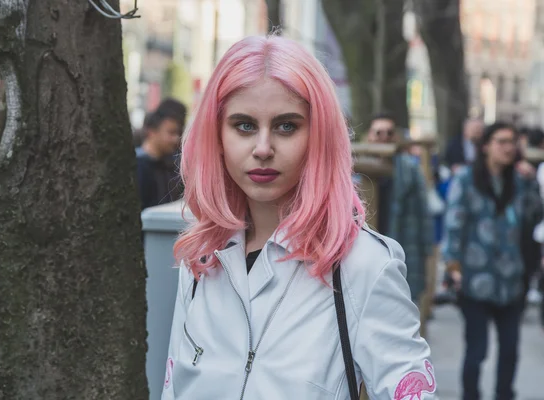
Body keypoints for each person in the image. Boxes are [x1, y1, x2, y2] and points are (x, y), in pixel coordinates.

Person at [162, 35, 435, 400]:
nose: (262, 148)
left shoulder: (364, 264)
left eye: (286, 126)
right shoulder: (200, 257)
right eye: (243, 125)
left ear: (319, 135)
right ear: (216, 134)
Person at [442, 122, 543, 400]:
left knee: (510, 348)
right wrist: (453, 267)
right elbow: (454, 225)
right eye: (501, 141)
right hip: (474, 279)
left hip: (512, 279)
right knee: (477, 350)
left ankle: (504, 395)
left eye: (512, 142)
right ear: (486, 146)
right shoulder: (465, 179)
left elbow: (535, 216)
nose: (508, 147)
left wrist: (532, 180)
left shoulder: (521, 181)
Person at [366, 113, 433, 305]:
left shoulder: (411, 170)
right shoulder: (355, 169)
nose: (384, 137)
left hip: (402, 243)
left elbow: (423, 211)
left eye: (389, 132)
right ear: (369, 136)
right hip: (368, 247)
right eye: (378, 132)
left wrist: (426, 248)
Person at [136, 109, 182, 211]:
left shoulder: (171, 165)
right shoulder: (137, 165)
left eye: (177, 133)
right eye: (171, 133)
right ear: (152, 132)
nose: (176, 138)